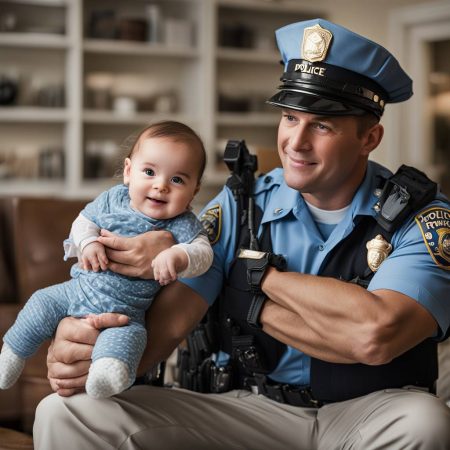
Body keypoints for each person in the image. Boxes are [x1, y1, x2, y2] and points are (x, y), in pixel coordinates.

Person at [33, 18, 450, 449]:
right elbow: (167, 327)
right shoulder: (240, 204)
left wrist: (255, 284)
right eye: (290, 117)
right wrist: (85, 352)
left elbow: (374, 336)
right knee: (66, 412)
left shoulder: (422, 217)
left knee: (425, 422)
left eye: (322, 125)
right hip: (250, 408)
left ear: (370, 137)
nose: (296, 142)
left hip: (367, 411)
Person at [0, 120, 213, 399]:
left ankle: (106, 377)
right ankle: (12, 355)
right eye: (149, 172)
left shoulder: (182, 224)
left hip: (125, 313)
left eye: (177, 179)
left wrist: (179, 254)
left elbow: (204, 254)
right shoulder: (113, 199)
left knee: (128, 339)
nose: (161, 186)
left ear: (194, 191)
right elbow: (83, 222)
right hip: (76, 291)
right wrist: (87, 242)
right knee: (40, 302)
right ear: (128, 172)